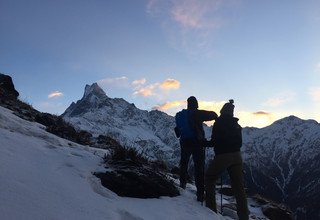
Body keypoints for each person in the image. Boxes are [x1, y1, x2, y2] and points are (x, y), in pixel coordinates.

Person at [205, 100, 249, 220]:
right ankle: (244, 217)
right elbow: (239, 143)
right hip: (237, 156)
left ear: (222, 111)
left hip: (223, 156)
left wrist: (204, 143)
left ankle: (210, 210)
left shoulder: (219, 123)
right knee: (239, 188)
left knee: (210, 178)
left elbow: (214, 142)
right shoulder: (237, 125)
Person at [175, 96, 217, 202]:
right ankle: (200, 194)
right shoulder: (197, 113)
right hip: (197, 144)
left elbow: (177, 132)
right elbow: (213, 115)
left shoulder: (180, 115)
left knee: (184, 163)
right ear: (196, 104)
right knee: (199, 168)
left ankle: (182, 184)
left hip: (184, 143)